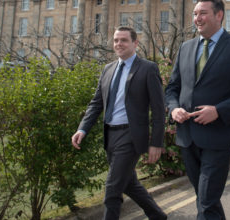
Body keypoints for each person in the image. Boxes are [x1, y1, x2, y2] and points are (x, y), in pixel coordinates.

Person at [165, 0, 230, 220]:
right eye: (195, 14)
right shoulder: (185, 48)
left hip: (219, 138)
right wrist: (173, 109)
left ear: (219, 15)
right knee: (204, 199)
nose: (197, 18)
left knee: (207, 201)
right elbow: (172, 88)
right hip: (187, 136)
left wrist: (219, 110)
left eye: (203, 13)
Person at [71, 26, 167, 220]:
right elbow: (96, 103)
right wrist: (83, 128)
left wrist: (156, 143)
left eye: (123, 40)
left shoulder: (148, 68)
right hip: (110, 135)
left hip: (131, 135)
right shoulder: (108, 69)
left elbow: (158, 109)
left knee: (112, 189)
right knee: (129, 183)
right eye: (116, 40)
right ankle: (158, 216)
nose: (118, 44)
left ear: (135, 43)